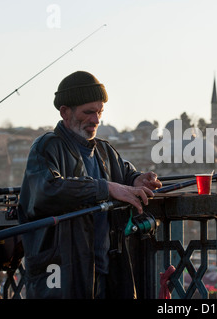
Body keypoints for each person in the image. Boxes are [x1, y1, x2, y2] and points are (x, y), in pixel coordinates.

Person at [17, 71, 162, 299]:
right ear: (65, 112)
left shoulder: (105, 151)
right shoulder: (46, 147)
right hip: (62, 277)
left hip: (104, 273)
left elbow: (125, 175)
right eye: (88, 113)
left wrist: (138, 179)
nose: (96, 120)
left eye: (99, 112)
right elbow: (47, 190)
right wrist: (106, 188)